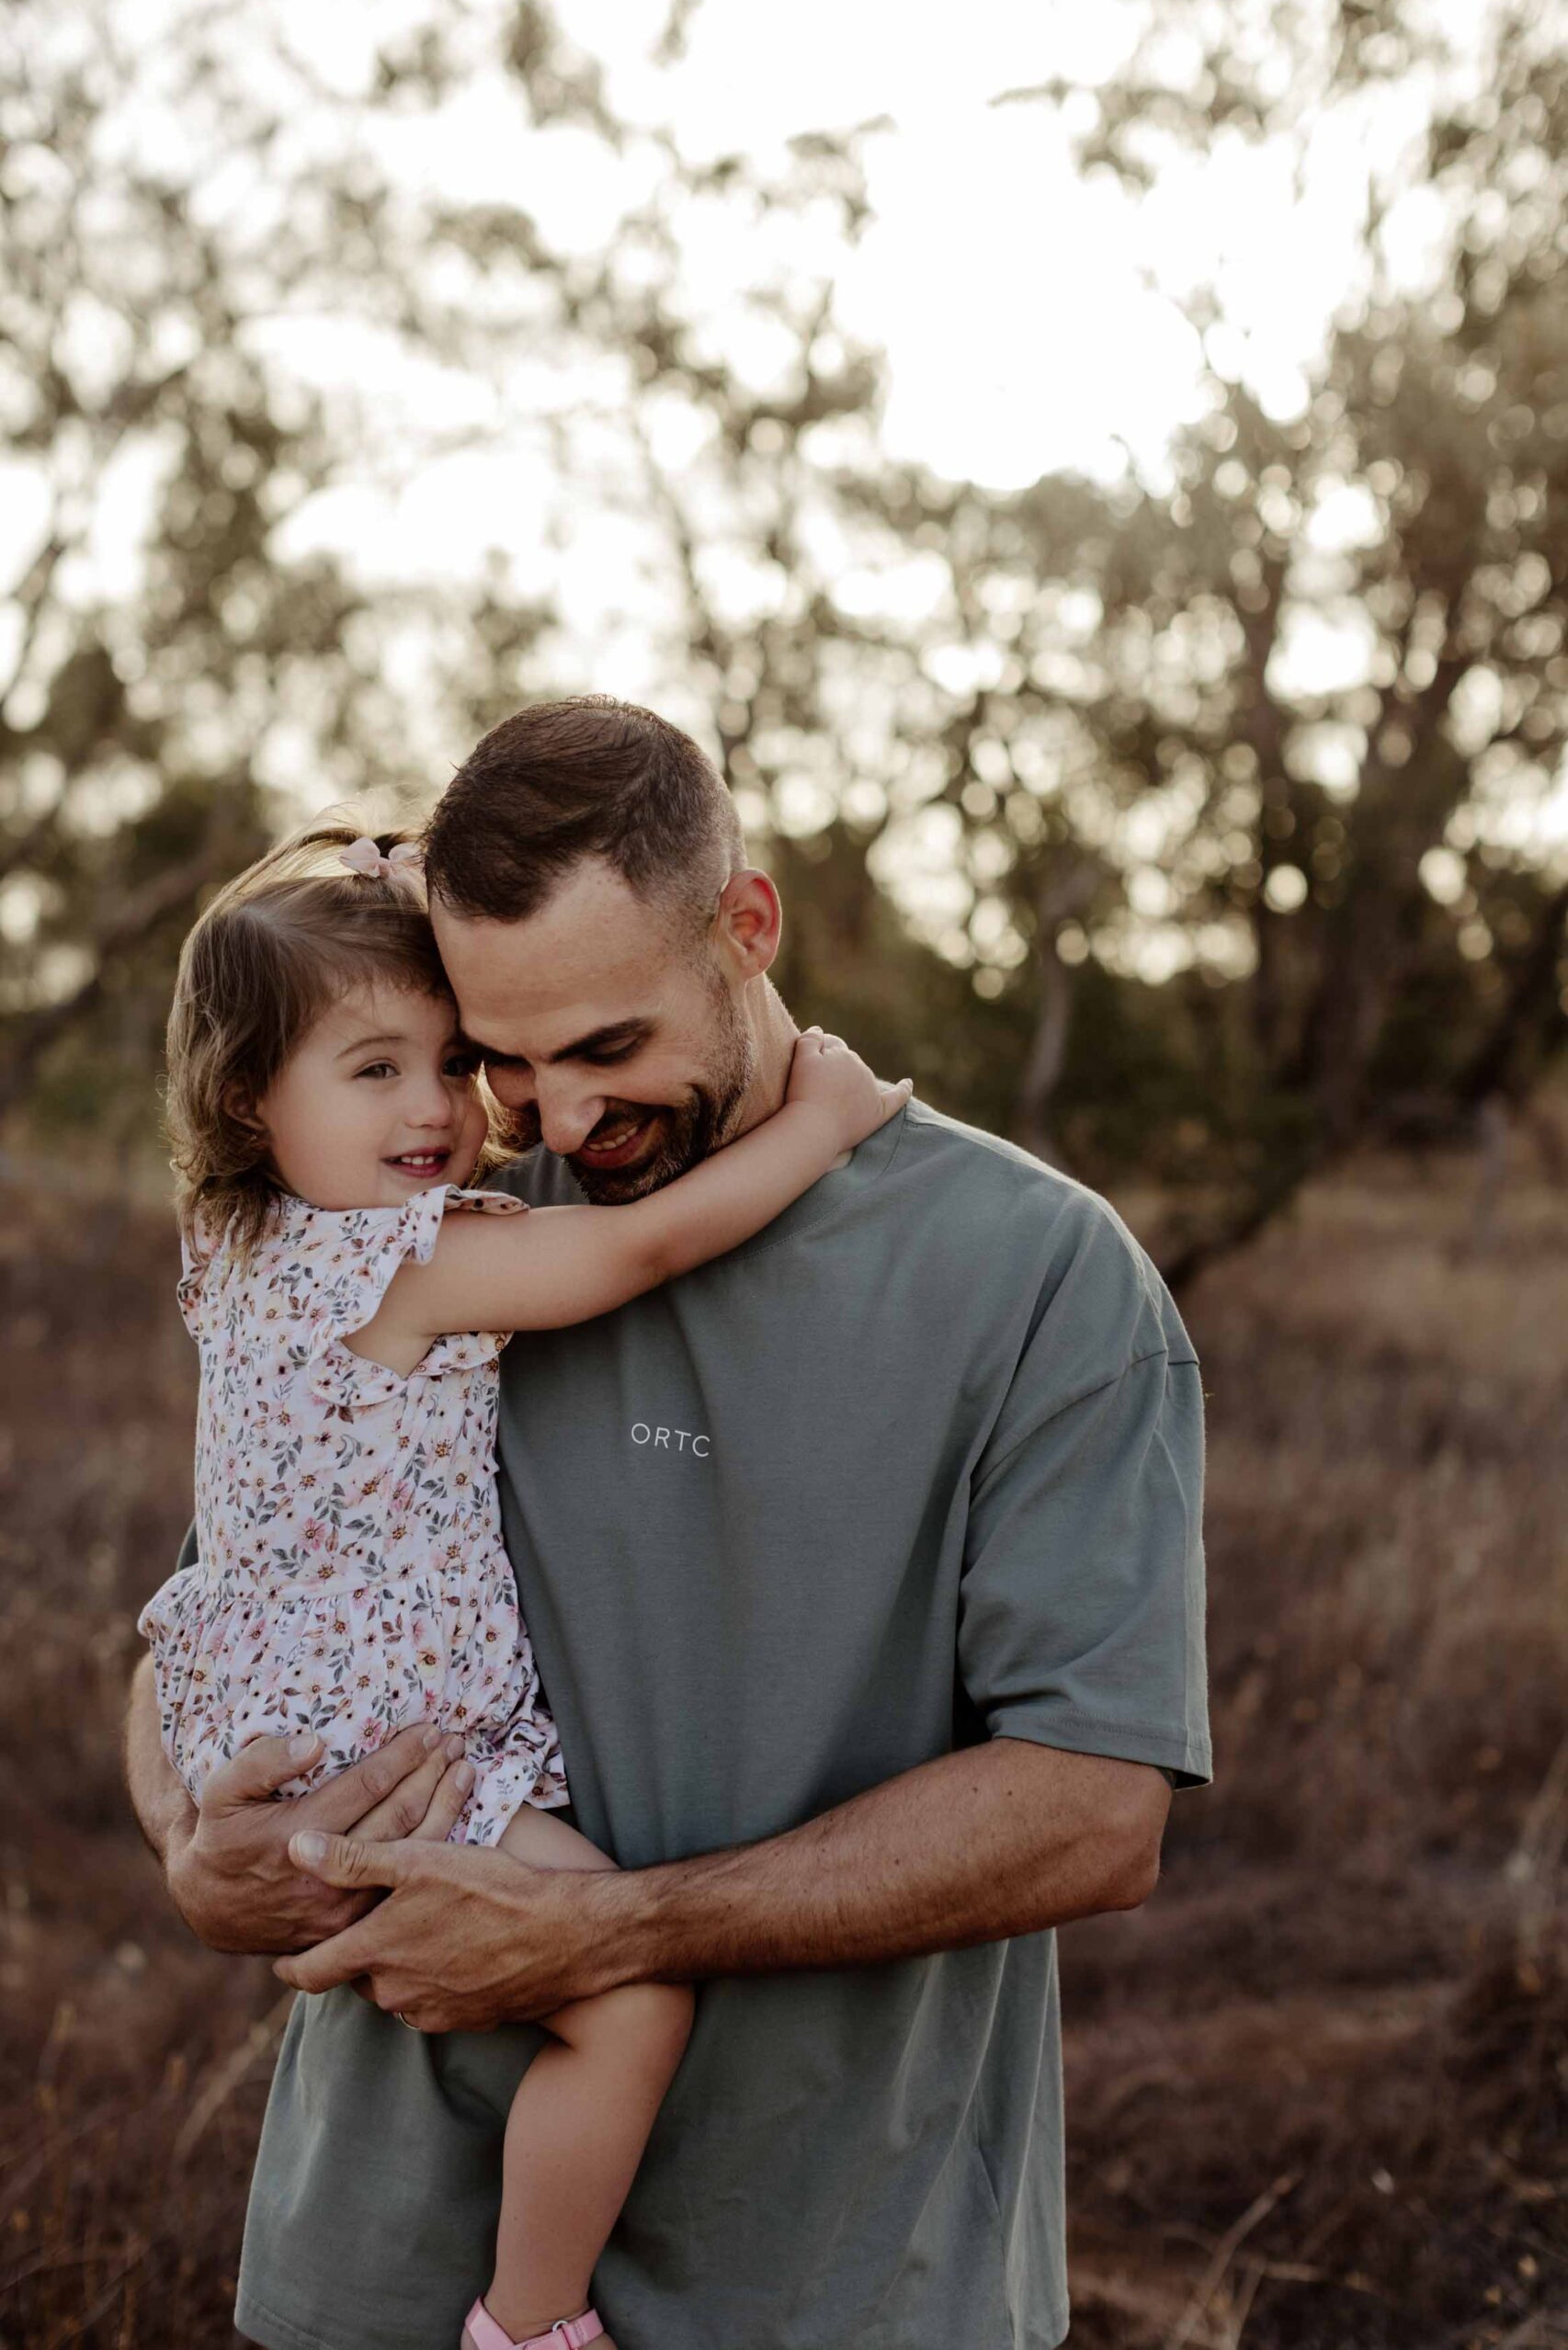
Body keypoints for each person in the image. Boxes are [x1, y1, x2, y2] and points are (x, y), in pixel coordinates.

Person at [126, 696, 1211, 2350]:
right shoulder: (432, 1211)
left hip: (844, 2285)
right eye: (502, 1055)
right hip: (386, 2272)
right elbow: (210, 1616)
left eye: (606, 1048)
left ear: (746, 926)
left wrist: (612, 1932)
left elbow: (1093, 1810)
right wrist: (194, 1854)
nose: (554, 1120)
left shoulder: (1036, 1276)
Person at [137, 818, 908, 2350]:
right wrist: (821, 1124)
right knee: (629, 2001)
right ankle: (532, 2321)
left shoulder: (240, 1239)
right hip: (389, 1745)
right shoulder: (404, 1262)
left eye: (453, 1059)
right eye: (374, 1070)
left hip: (276, 1716)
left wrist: (398, 888)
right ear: (247, 1095)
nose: (436, 1108)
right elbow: (638, 1252)